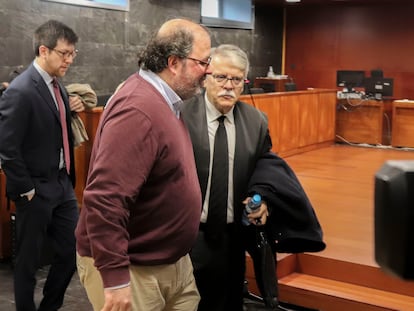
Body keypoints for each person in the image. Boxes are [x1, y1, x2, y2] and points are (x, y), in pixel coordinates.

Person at [75, 18, 212, 311]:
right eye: (203, 61)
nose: (209, 70)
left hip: (169, 262)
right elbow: (106, 199)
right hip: (134, 270)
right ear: (174, 62)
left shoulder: (165, 101)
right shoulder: (138, 109)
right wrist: (114, 278)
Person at [181, 44, 325, 311]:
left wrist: (262, 197)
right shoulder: (181, 115)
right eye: (221, 77)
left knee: (230, 302)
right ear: (206, 78)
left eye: (236, 79)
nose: (228, 86)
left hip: (233, 236)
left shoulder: (256, 120)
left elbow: (264, 163)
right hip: (188, 235)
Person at [0, 20, 81, 311]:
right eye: (65, 53)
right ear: (43, 50)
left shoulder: (57, 85)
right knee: (28, 261)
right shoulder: (20, 91)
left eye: (73, 54)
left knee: (74, 252)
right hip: (35, 189)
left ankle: (50, 307)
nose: (70, 60)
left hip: (62, 184)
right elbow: (8, 148)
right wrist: (26, 190)